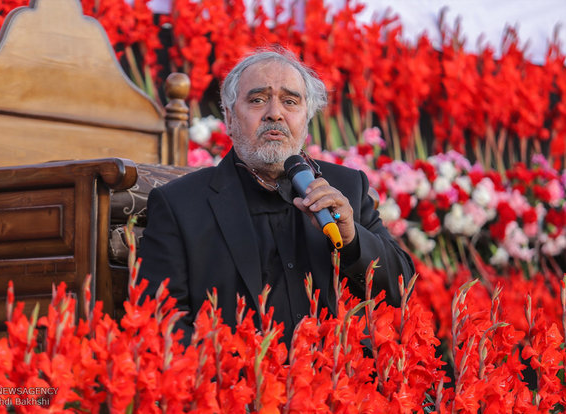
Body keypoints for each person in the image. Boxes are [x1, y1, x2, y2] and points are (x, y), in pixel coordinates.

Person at [137, 47, 414, 347]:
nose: (275, 113)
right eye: (257, 100)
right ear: (229, 118)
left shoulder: (346, 187)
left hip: (337, 384)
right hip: (237, 386)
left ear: (306, 119)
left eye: (290, 101)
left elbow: (402, 290)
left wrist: (352, 241)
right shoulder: (180, 205)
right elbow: (162, 325)